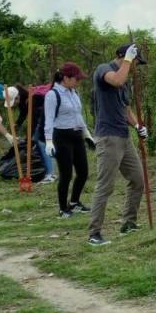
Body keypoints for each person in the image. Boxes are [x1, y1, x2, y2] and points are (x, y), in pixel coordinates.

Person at [87, 44, 149, 246]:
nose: (135, 68)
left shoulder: (126, 81)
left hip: (124, 137)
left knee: (138, 180)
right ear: (124, 57)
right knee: (105, 186)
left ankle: (128, 223)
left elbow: (126, 110)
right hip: (108, 137)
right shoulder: (104, 69)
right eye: (135, 62)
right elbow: (117, 80)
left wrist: (138, 126)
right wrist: (129, 60)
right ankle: (94, 234)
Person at [45, 63, 92, 218]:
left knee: (83, 172)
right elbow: (49, 119)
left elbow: (78, 116)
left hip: (77, 136)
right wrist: (49, 141)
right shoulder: (53, 95)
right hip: (62, 136)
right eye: (76, 79)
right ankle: (63, 208)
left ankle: (74, 202)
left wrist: (87, 135)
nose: (78, 82)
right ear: (66, 78)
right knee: (66, 174)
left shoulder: (74, 92)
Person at [5, 85, 56, 184]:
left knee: (40, 142)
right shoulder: (23, 100)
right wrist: (17, 124)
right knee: (37, 141)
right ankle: (48, 167)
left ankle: (50, 174)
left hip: (47, 119)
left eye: (14, 101)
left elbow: (34, 121)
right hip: (41, 119)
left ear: (17, 96)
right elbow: (23, 113)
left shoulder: (33, 99)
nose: (14, 104)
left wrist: (29, 138)